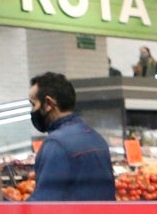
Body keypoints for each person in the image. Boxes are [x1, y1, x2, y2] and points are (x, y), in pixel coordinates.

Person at [27, 72, 116, 201]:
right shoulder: (96, 137)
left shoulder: (56, 144)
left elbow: (44, 204)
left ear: (48, 104)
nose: (33, 110)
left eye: (33, 104)